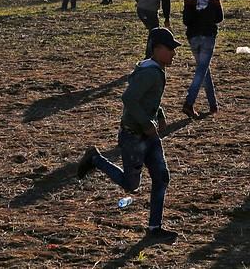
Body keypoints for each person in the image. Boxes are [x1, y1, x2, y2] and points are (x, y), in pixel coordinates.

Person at [76, 27, 181, 243]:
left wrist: (159, 115)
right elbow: (129, 98)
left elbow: (147, 99)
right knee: (131, 185)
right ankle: (95, 159)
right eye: (170, 48)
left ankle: (154, 228)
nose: (174, 53)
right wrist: (146, 122)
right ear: (157, 49)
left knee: (161, 177)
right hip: (134, 136)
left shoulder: (153, 68)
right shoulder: (150, 72)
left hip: (146, 135)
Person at [182, 0, 223, 118]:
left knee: (203, 69)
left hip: (193, 37)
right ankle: (189, 103)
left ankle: (213, 105)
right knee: (202, 69)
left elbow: (186, 20)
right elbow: (219, 18)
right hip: (209, 36)